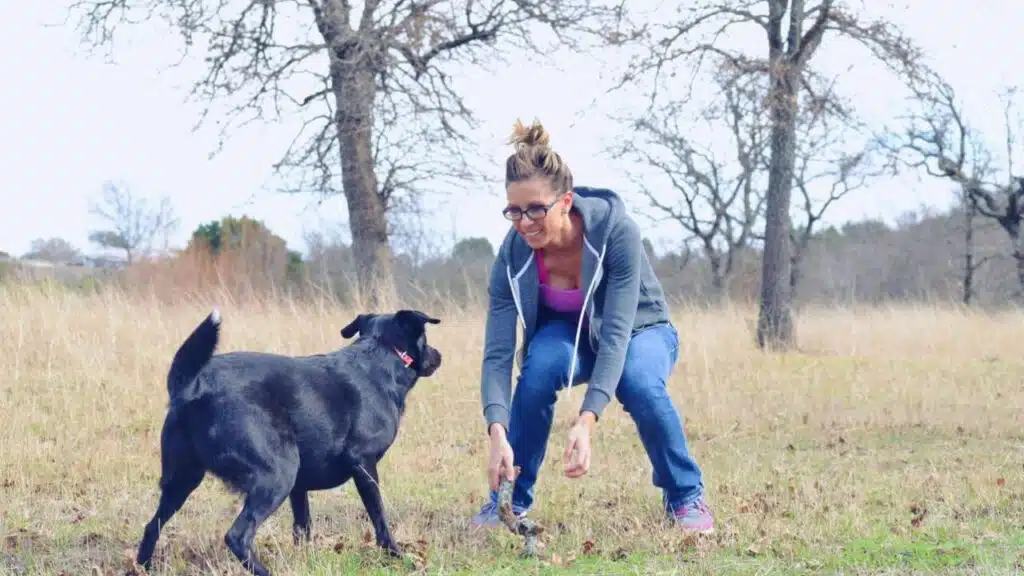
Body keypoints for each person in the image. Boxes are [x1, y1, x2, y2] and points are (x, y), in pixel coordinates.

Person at [471, 118, 714, 534]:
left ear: (565, 201)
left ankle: (685, 496)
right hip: (568, 333)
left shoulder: (617, 232)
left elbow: (617, 335)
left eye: (536, 209)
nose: (524, 221)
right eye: (514, 210)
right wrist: (496, 429)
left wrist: (587, 420)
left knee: (637, 381)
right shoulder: (512, 254)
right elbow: (497, 352)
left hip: (641, 328)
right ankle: (508, 502)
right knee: (538, 370)